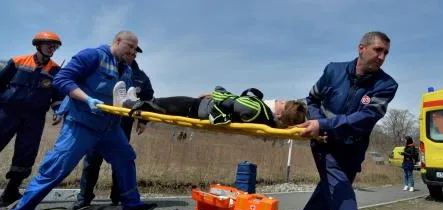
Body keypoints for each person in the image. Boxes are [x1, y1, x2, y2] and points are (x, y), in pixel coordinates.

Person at [260, 31, 398, 210]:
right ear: (361, 48)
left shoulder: (386, 85)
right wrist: (315, 123)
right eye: (378, 50)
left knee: (320, 206)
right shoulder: (332, 71)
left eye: (386, 53)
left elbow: (366, 119)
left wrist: (323, 124)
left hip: (350, 155)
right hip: (323, 149)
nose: (382, 57)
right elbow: (312, 99)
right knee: (344, 206)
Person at [0, 31, 157, 210]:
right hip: (82, 124)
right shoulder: (92, 56)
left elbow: (122, 97)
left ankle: (131, 206)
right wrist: (86, 99)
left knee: (126, 158)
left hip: (110, 128)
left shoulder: (127, 70)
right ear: (117, 41)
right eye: (130, 46)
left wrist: (133, 107)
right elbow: (63, 79)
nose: (133, 51)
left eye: (135, 49)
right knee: (56, 169)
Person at [70, 46, 154, 210]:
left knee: (121, 162)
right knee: (92, 161)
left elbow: (148, 98)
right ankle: (84, 199)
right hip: (99, 121)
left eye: (133, 52)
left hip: (122, 125)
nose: (130, 54)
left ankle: (120, 197)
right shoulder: (106, 68)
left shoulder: (141, 77)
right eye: (128, 51)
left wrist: (143, 121)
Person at [0, 31, 64, 207]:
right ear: (38, 45)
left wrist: (58, 111)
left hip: (34, 117)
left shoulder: (56, 70)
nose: (52, 48)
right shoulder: (17, 62)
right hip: (7, 112)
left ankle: (11, 191)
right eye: (49, 44)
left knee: (26, 153)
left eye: (55, 46)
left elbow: (57, 95)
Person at [123, 86, 307, 128]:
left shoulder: (257, 109)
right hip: (200, 109)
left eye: (285, 102)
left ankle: (126, 103)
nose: (281, 99)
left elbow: (229, 103)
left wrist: (216, 93)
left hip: (197, 108)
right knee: (159, 106)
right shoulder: (266, 118)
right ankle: (137, 109)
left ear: (282, 111)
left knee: (159, 104)